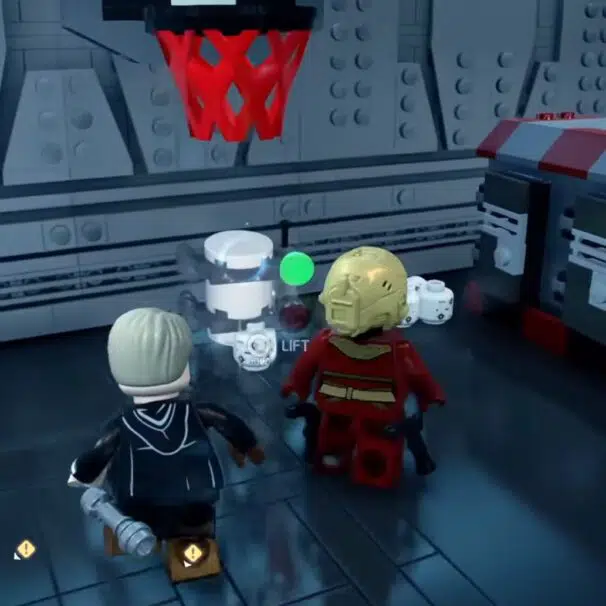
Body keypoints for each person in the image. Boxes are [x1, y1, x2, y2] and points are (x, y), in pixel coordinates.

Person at [68, 307, 265, 581]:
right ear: (184, 368)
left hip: (140, 503)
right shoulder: (197, 412)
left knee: (134, 519)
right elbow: (228, 422)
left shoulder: (120, 426)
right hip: (196, 500)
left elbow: (96, 458)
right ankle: (192, 557)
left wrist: (80, 472)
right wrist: (247, 445)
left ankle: (134, 536)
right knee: (195, 533)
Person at [281, 246, 445, 488]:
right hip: (366, 409)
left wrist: (295, 388)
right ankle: (361, 464)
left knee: (361, 448)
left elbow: (304, 368)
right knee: (355, 446)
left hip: (351, 407)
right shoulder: (397, 348)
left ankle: (352, 463)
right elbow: (419, 375)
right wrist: (430, 395)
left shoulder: (330, 342)